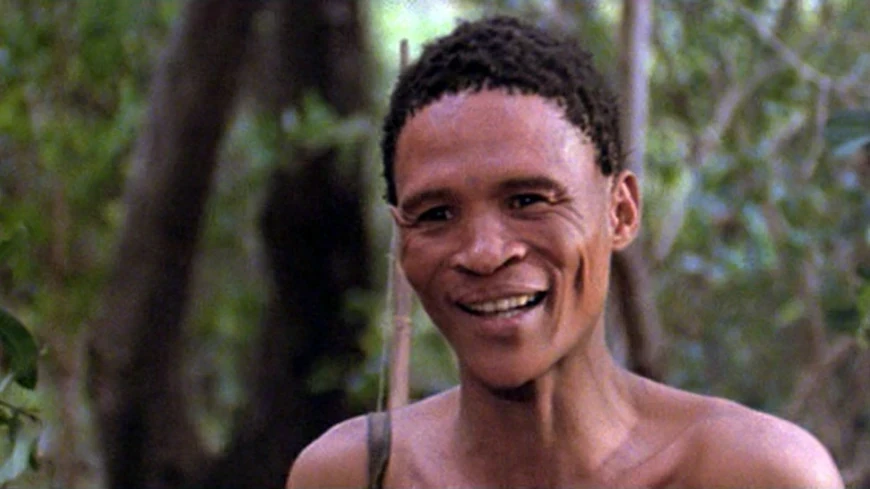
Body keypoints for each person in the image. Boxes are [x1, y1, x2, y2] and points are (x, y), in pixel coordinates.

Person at [287, 16, 843, 488]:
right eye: (436, 214)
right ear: (402, 239)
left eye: (528, 200)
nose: (484, 253)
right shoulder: (352, 474)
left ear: (620, 211)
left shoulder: (751, 473)